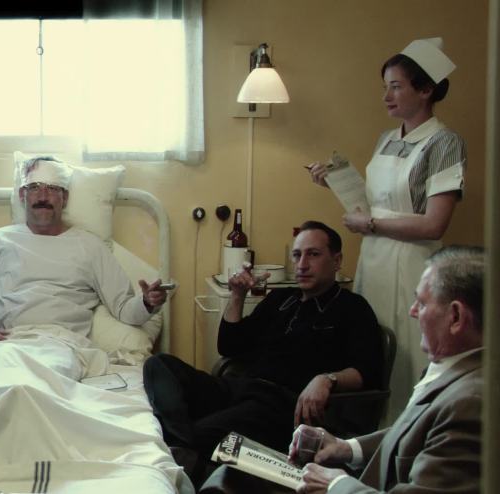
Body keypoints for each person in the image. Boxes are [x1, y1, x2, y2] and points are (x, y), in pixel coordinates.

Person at [143, 221, 382, 485]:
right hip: (240, 388)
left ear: (336, 261)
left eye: (313, 254)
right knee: (158, 365)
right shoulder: (281, 299)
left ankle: (185, 442)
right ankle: (185, 443)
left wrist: (327, 379)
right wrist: (237, 295)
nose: (302, 264)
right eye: (297, 255)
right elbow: (230, 346)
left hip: (281, 406)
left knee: (204, 431)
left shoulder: (352, 307)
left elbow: (367, 371)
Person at [307, 37, 466, 420]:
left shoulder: (444, 143)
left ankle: (406, 434)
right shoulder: (387, 139)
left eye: (396, 87)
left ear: (425, 90)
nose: (386, 97)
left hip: (412, 262)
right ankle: (366, 434)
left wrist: (371, 223)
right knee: (371, 345)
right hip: (374, 258)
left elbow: (434, 223)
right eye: (386, 87)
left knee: (408, 352)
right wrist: (335, 183)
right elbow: (375, 201)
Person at [292, 245, 483, 494]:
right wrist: (346, 447)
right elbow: (417, 433)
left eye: (422, 303)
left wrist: (336, 485)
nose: (412, 311)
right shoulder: (454, 369)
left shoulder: (470, 402)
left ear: (456, 317)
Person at [0, 156, 167, 398]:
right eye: (34, 187)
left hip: (62, 344)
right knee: (3, 379)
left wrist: (147, 303)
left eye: (53, 189)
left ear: (65, 198)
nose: (43, 196)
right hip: (10, 343)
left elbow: (123, 308)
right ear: (22, 195)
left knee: (44, 382)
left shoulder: (90, 246)